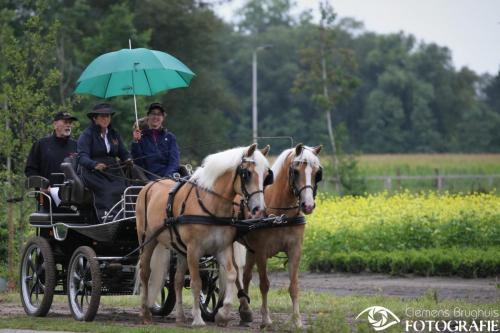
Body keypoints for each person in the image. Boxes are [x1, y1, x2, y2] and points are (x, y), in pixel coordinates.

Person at [77, 103, 132, 220]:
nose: (106, 119)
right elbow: (81, 157)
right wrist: (95, 165)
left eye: (108, 116)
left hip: (112, 171)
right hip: (92, 172)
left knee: (124, 189)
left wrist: (128, 159)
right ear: (94, 118)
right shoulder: (87, 135)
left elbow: (123, 152)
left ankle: (128, 217)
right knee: (109, 190)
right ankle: (108, 218)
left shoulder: (114, 134)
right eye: (102, 116)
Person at [25, 111, 78, 206]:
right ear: (55, 124)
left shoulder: (76, 146)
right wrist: (41, 185)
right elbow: (30, 170)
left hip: (73, 200)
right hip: (46, 198)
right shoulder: (41, 144)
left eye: (70, 123)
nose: (68, 125)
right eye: (65, 122)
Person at [131, 102, 180, 180]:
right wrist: (136, 142)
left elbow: (174, 161)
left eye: (159, 114)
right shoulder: (140, 138)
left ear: (163, 117)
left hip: (169, 177)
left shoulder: (170, 137)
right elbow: (138, 163)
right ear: (148, 116)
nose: (156, 117)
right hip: (149, 179)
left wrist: (167, 176)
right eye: (153, 113)